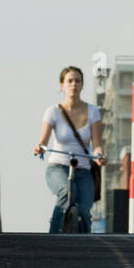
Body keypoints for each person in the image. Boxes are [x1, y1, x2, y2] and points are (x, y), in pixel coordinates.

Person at [34, 66, 107, 234]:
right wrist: (41, 148)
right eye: (70, 81)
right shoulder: (53, 111)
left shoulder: (93, 111)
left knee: (84, 210)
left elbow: (96, 144)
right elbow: (43, 141)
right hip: (58, 167)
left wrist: (99, 157)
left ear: (82, 85)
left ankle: (85, 248)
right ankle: (53, 237)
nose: (74, 84)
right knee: (67, 193)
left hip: (83, 169)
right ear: (62, 85)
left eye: (78, 81)